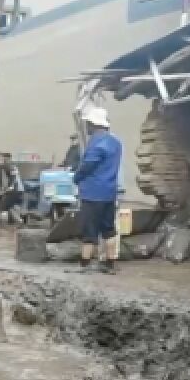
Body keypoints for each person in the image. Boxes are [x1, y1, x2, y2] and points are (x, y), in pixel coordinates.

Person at [73, 107, 123, 273]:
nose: (86, 127)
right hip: (109, 192)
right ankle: (110, 264)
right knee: (109, 229)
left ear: (93, 124)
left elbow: (88, 165)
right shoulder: (116, 141)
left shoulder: (96, 143)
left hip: (93, 193)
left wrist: (76, 177)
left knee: (89, 231)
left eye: (88, 124)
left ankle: (84, 265)